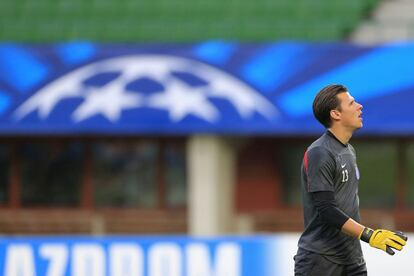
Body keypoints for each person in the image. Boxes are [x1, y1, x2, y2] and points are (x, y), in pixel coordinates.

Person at [294, 84, 407, 275]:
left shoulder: (349, 150)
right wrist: (370, 235)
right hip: (320, 261)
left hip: (352, 258)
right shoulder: (319, 152)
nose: (360, 106)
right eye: (352, 103)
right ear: (336, 114)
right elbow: (326, 209)